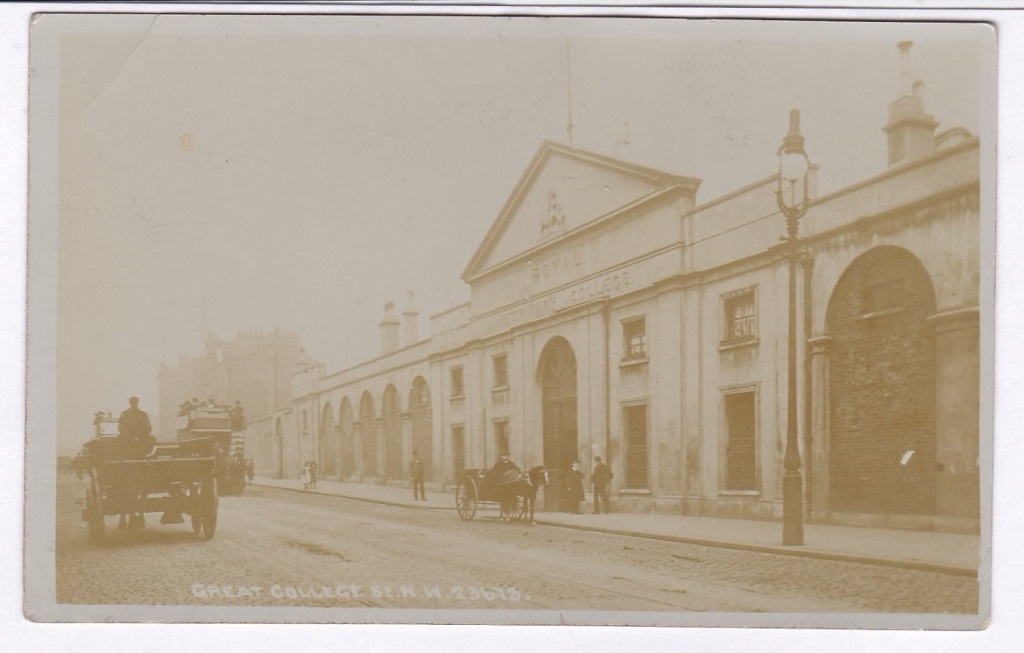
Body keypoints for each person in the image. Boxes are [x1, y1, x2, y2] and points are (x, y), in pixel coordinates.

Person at [117, 397, 155, 529]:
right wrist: (140, 437)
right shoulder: (143, 414)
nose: (135, 404)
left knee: (118, 443)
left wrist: (130, 438)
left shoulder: (124, 414)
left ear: (130, 403)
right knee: (152, 440)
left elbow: (120, 429)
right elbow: (148, 428)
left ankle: (124, 518)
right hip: (141, 444)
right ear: (137, 403)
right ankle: (148, 457)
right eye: (135, 403)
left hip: (127, 444)